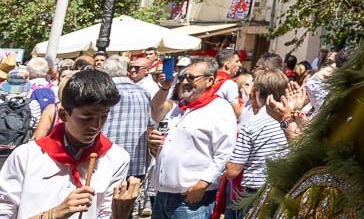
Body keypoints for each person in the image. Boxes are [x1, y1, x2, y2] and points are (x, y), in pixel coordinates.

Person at [0, 69, 139, 219]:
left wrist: (120, 214)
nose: (96, 126)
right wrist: (54, 214)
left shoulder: (116, 158)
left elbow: (105, 214)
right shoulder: (26, 156)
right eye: (86, 118)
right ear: (63, 115)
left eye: (103, 117)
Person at [146, 59, 236, 219]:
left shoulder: (220, 109)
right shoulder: (179, 108)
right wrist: (156, 146)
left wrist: (203, 183)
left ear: (210, 80)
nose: (185, 81)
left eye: (191, 77)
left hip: (191, 199)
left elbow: (224, 152)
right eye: (182, 77)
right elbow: (155, 111)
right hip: (162, 196)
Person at [222, 71, 290, 219]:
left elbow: (233, 170)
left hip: (255, 194)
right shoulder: (291, 121)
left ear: (258, 92)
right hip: (283, 191)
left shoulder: (253, 123)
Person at [98, 58, 152, 187]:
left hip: (106, 158)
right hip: (136, 162)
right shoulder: (144, 93)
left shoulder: (103, 93)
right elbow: (150, 125)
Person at [212, 52, 242, 120]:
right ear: (227, 65)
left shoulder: (208, 80)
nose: (240, 64)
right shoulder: (230, 85)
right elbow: (238, 114)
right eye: (237, 61)